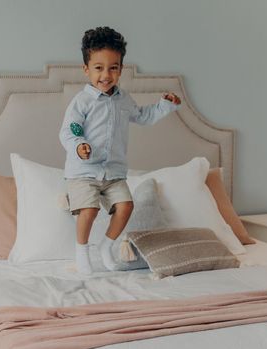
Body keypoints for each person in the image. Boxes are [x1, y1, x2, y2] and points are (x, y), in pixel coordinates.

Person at [59, 27, 181, 274]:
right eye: (98, 68)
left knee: (125, 206)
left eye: (113, 67)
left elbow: (143, 117)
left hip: (114, 172)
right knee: (89, 209)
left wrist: (164, 105)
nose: (106, 74)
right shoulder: (82, 102)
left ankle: (107, 246)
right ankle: (82, 252)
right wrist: (78, 146)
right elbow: (69, 132)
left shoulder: (123, 99)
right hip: (84, 171)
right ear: (86, 69)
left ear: (121, 69)